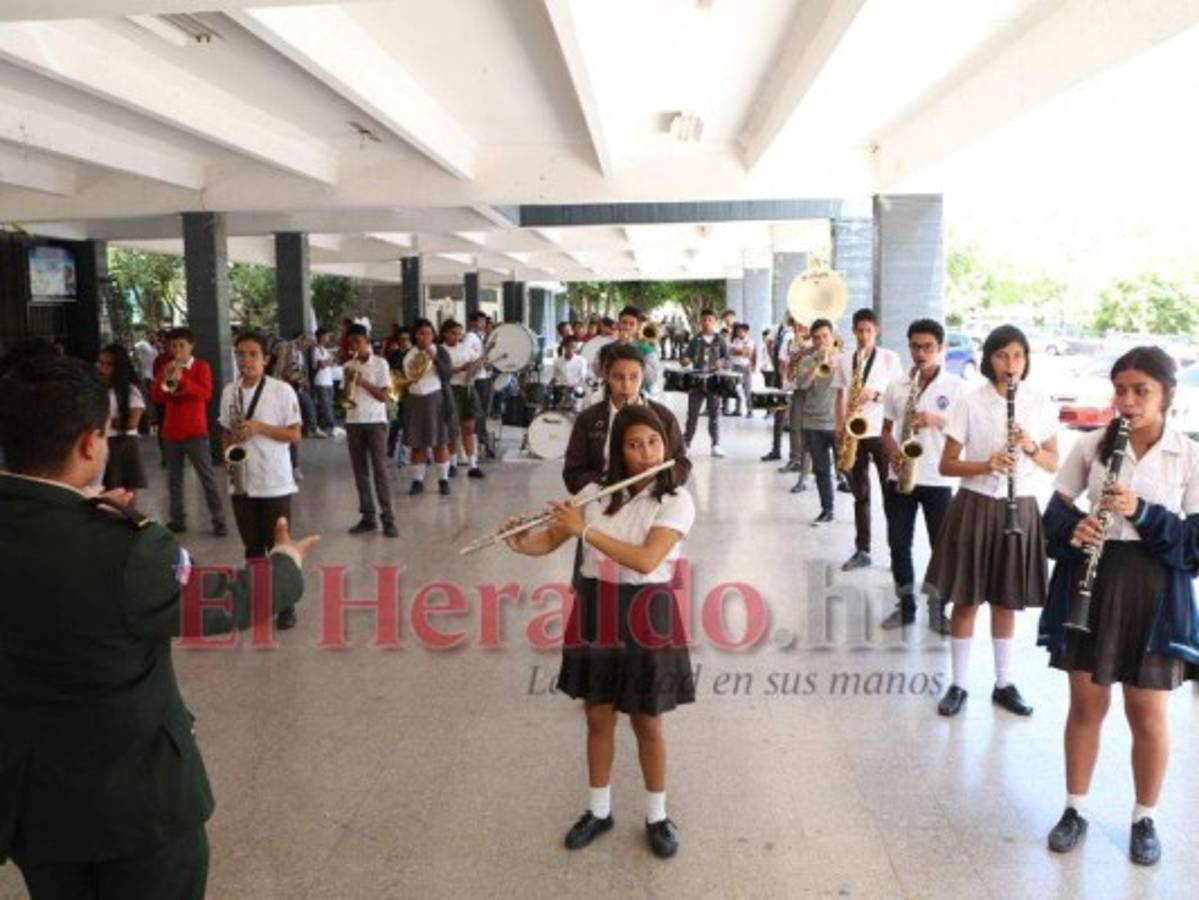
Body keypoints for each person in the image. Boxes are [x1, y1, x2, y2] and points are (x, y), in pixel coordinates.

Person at [0, 355, 316, 899]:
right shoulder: (126, 546)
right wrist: (285, 563)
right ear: (88, 444)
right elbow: (226, 603)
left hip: (33, 805)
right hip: (137, 804)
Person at [504, 405, 695, 859]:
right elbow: (549, 541)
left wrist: (584, 530)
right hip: (597, 604)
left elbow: (647, 560)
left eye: (653, 442)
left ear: (667, 443)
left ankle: (657, 815)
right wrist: (520, 542)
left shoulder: (676, 500)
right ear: (619, 450)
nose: (645, 453)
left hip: (647, 608)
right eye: (633, 445)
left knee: (647, 719)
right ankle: (599, 809)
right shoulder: (596, 490)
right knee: (598, 715)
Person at [1040, 346, 1199, 866]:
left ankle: (1144, 817)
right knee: (1087, 706)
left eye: (1140, 390)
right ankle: (1074, 807)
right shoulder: (1091, 444)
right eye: (1120, 389)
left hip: (1155, 593)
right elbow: (1052, 518)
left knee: (1147, 713)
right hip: (1093, 583)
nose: (1126, 401)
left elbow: (1193, 548)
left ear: (1166, 395)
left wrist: (1142, 511)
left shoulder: (1190, 454)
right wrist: (1074, 531)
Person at [926, 324, 1059, 718]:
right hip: (976, 503)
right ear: (989, 360)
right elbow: (946, 463)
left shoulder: (1038, 402)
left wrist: (1030, 446)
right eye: (1002, 355)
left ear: (1027, 359)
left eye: (1018, 355)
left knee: (1007, 600)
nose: (1011, 363)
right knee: (966, 598)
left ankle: (1004, 683)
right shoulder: (971, 401)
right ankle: (959, 683)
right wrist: (987, 463)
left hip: (1021, 504)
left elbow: (1053, 463)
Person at [878, 319, 964, 632]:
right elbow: (885, 430)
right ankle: (906, 606)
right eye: (915, 346)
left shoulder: (955, 387)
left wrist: (936, 419)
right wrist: (892, 453)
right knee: (898, 544)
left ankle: (938, 609)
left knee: (941, 548)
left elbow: (965, 432)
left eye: (927, 346)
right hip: (899, 475)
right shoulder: (898, 384)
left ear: (940, 348)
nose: (920, 352)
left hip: (937, 479)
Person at [218, 332, 303, 630]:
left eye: (253, 354)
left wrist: (258, 428)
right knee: (252, 547)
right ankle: (255, 601)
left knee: (278, 545)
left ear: (266, 359)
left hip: (275, 480)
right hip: (242, 480)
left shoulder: (282, 391)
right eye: (241, 354)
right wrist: (228, 455)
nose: (246, 360)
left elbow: (295, 434)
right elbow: (225, 430)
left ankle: (286, 604)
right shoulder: (230, 391)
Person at [833, 309, 904, 571]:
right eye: (860, 331)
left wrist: (874, 394)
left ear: (877, 331)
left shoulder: (889, 359)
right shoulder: (844, 359)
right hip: (855, 434)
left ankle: (897, 553)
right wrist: (839, 426)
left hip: (881, 434)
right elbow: (839, 395)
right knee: (860, 494)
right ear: (853, 330)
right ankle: (862, 549)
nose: (864, 336)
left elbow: (899, 397)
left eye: (869, 331)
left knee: (890, 496)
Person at [149, 327, 227, 537]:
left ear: (191, 346)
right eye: (173, 346)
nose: (177, 350)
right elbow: (157, 397)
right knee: (173, 480)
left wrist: (182, 378)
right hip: (171, 433)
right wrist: (164, 378)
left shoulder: (201, 367)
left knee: (207, 478)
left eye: (181, 345)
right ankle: (177, 519)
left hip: (195, 431)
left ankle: (219, 520)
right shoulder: (166, 367)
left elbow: (206, 393)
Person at [342, 324, 398, 537]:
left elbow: (383, 396)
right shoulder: (348, 365)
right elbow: (345, 398)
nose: (355, 346)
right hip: (353, 421)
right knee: (360, 472)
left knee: (380, 470)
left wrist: (361, 380)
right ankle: (368, 516)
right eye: (351, 343)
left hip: (375, 422)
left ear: (367, 341)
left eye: (358, 341)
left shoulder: (380, 364)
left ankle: (388, 518)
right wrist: (349, 381)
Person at [402, 318, 455, 496]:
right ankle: (417, 481)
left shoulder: (440, 351)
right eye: (421, 333)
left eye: (429, 333)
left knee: (440, 442)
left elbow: (447, 375)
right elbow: (407, 375)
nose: (425, 337)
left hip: (436, 398)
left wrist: (435, 359)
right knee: (418, 444)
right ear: (415, 335)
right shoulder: (409, 354)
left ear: (433, 335)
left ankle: (443, 480)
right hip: (415, 399)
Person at [797, 319, 839, 525]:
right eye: (817, 338)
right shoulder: (807, 360)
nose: (821, 341)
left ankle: (861, 505)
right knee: (821, 470)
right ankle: (827, 509)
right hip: (813, 423)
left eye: (825, 336)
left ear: (832, 336)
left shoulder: (843, 359)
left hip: (838, 423)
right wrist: (816, 368)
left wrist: (835, 364)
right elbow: (802, 385)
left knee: (847, 469)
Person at [96, 344, 148, 505]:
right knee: (103, 492)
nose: (103, 368)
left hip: (123, 444)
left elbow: (132, 422)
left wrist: (106, 421)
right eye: (100, 363)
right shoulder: (97, 388)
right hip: (101, 443)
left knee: (126, 494)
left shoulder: (130, 390)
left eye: (108, 364)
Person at [681, 308, 730, 458]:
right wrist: (685, 361)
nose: (706, 323)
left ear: (714, 322)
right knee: (692, 415)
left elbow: (728, 360)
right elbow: (684, 359)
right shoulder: (695, 340)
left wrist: (723, 363)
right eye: (704, 320)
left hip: (714, 382)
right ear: (700, 321)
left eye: (710, 320)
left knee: (714, 414)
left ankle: (715, 445)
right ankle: (686, 443)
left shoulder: (720, 340)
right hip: (697, 383)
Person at [442, 319, 485, 479]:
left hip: (468, 388)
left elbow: (478, 364)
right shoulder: (441, 350)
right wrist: (461, 368)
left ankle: (472, 464)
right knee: (452, 429)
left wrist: (478, 365)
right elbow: (442, 371)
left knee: (469, 428)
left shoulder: (466, 348)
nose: (457, 336)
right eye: (453, 333)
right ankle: (452, 463)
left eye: (459, 333)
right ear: (445, 333)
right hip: (451, 389)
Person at [310, 328, 336, 437]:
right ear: (321, 337)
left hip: (328, 380)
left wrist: (329, 361)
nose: (328, 338)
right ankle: (330, 426)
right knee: (324, 405)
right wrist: (329, 361)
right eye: (326, 336)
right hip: (320, 381)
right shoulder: (316, 350)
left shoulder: (325, 350)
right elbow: (321, 364)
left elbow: (331, 361)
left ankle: (324, 426)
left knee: (328, 404)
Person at [728, 323, 754, 417]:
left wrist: (738, 351)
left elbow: (748, 353)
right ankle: (737, 410)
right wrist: (740, 351)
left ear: (746, 332)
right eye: (737, 331)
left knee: (747, 389)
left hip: (745, 367)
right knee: (736, 389)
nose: (738, 333)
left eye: (740, 331)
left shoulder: (749, 341)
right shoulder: (735, 340)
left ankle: (750, 411)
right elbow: (731, 351)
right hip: (735, 366)